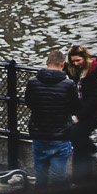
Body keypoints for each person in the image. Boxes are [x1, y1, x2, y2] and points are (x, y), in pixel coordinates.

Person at [23, 48, 77, 185]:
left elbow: (29, 103)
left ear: (46, 62)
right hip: (60, 136)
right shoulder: (68, 84)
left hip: (39, 134)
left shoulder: (33, 82)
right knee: (59, 179)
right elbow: (74, 107)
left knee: (40, 177)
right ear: (62, 64)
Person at [64, 43, 97, 180]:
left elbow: (94, 99)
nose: (76, 64)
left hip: (96, 112)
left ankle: (95, 151)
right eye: (73, 61)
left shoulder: (96, 72)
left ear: (85, 58)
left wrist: (78, 117)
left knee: (75, 134)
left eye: (78, 60)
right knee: (79, 141)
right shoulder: (72, 68)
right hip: (80, 110)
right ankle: (95, 151)